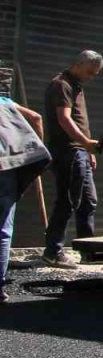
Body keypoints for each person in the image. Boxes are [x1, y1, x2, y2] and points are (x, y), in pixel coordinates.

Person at [42, 50, 103, 270]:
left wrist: (88, 151)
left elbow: (79, 120)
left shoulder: (76, 85)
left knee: (88, 201)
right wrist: (86, 143)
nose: (91, 77)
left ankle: (88, 252)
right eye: (90, 72)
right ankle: (53, 252)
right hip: (67, 151)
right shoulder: (62, 85)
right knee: (67, 201)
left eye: (95, 74)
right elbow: (65, 120)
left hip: (80, 151)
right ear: (78, 64)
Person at [0, 96, 49, 302]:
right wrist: (34, 150)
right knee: (3, 229)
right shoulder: (4, 101)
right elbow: (36, 118)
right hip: (6, 167)